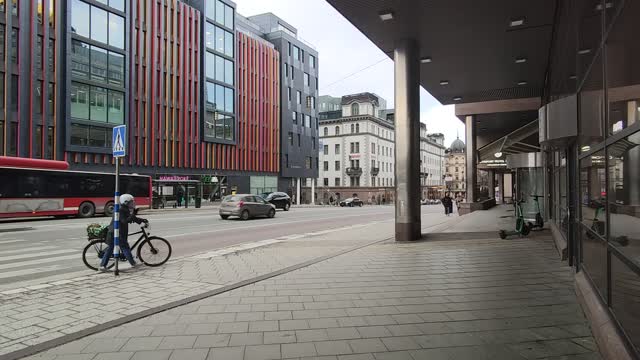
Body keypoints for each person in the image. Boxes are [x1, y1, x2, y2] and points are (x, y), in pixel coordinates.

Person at [100, 194, 148, 271]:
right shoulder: (121, 210)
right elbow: (124, 221)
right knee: (125, 247)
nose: (133, 203)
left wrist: (142, 220)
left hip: (114, 232)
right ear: (126, 202)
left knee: (110, 248)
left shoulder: (124, 209)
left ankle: (102, 266)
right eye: (131, 202)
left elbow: (132, 218)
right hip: (116, 232)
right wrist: (133, 216)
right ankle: (133, 264)